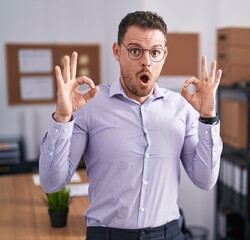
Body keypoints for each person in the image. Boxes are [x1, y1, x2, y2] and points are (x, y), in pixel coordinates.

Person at [39, 11, 222, 240]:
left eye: (155, 52)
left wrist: (207, 117)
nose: (146, 61)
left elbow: (205, 180)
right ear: (118, 51)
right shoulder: (90, 105)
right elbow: (51, 182)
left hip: (168, 234)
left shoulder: (181, 107)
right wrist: (62, 117)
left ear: (163, 56)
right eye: (135, 51)